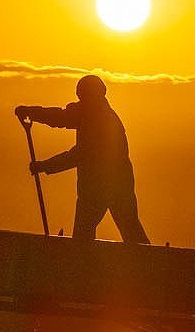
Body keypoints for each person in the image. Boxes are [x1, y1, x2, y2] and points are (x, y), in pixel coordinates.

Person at [15, 75, 150, 244]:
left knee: (108, 231)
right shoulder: (89, 113)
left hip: (105, 186)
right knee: (127, 229)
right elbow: (61, 117)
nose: (80, 100)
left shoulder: (103, 121)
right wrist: (32, 112)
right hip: (107, 185)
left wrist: (44, 165)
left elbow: (80, 155)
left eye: (83, 96)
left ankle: (146, 264)